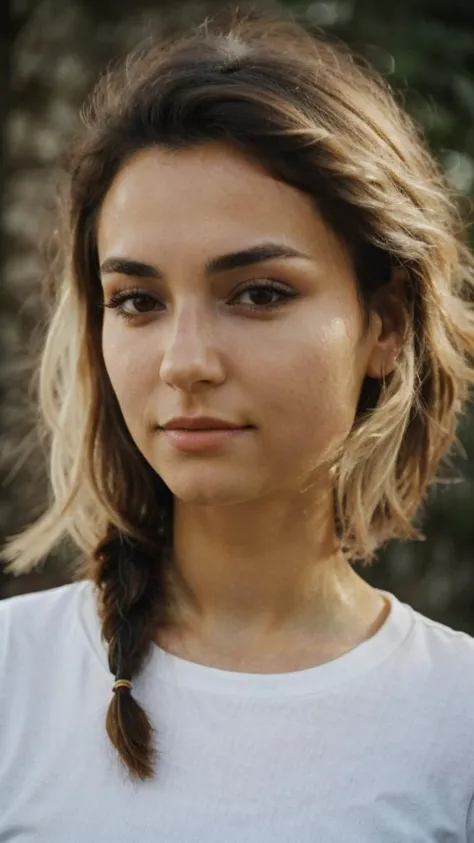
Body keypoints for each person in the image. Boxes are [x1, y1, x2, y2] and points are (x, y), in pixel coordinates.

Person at [1, 7, 474, 841]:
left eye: (258, 293)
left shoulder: (454, 719)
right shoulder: (12, 678)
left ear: (386, 324)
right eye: (138, 301)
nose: (185, 361)